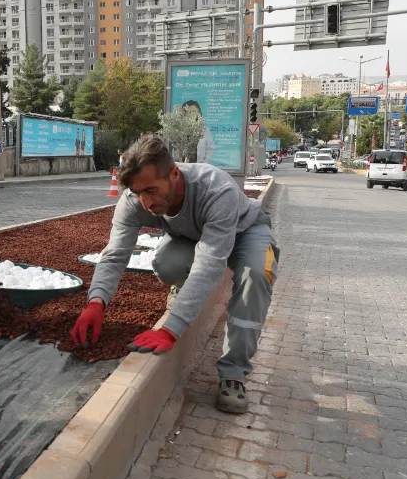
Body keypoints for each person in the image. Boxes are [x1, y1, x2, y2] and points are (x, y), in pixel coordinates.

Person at [70, 137, 279, 414]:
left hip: (246, 231)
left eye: (152, 190)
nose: (146, 202)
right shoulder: (134, 200)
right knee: (167, 263)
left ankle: (233, 374)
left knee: (256, 276)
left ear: (174, 173)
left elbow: (209, 264)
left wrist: (170, 329)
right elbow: (115, 253)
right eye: (138, 192)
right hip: (193, 236)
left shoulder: (215, 189)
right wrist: (96, 302)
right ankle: (184, 292)